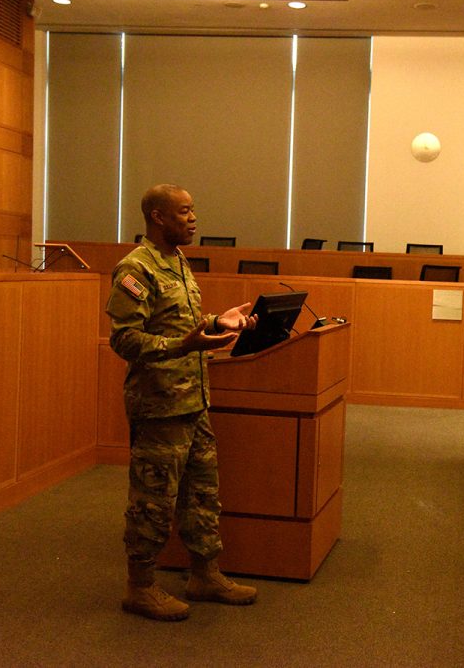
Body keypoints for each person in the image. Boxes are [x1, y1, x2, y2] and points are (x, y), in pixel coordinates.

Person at [107, 183, 259, 622]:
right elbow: (124, 338)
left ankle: (204, 574)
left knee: (202, 495)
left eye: (193, 211)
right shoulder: (136, 269)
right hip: (159, 406)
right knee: (153, 501)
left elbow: (183, 324)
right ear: (158, 217)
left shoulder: (177, 261)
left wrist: (218, 321)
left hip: (194, 399)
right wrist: (182, 345)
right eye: (185, 212)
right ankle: (140, 586)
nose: (194, 219)